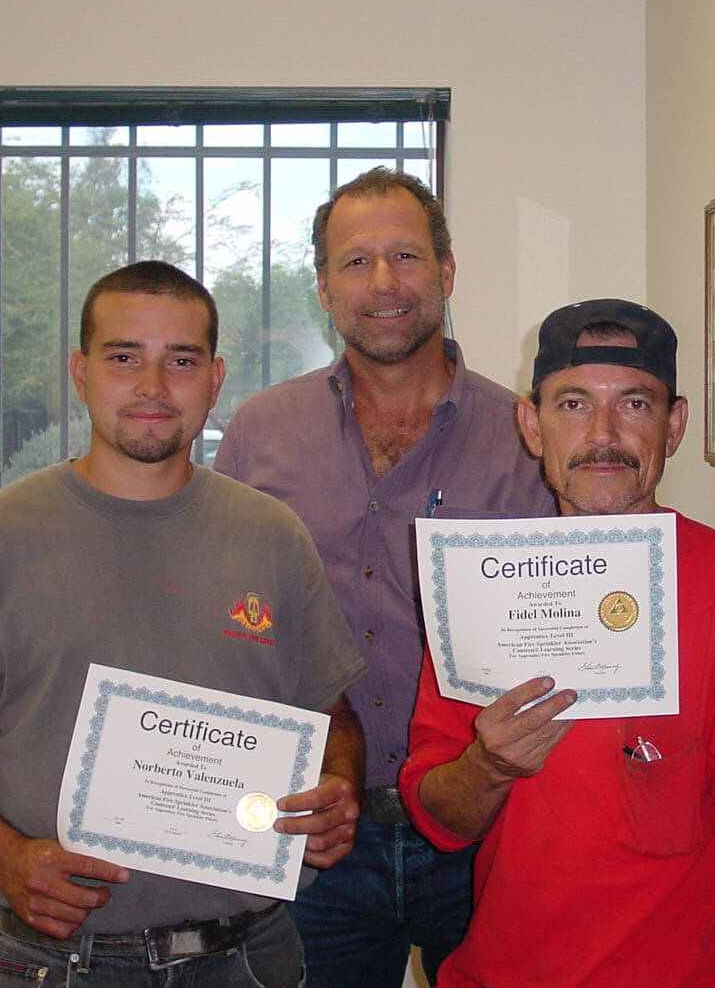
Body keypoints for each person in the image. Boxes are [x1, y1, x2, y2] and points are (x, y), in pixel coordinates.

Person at [0, 261, 367, 988]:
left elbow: (331, 714)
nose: (153, 386)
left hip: (247, 955)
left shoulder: (271, 535)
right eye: (125, 357)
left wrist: (339, 783)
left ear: (216, 379)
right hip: (58, 962)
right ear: (80, 371)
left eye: (180, 361)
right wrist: (2, 856)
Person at [399, 299, 715, 987]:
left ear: (675, 424)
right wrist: (488, 765)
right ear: (531, 423)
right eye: (572, 403)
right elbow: (439, 818)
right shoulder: (482, 580)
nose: (603, 433)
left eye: (634, 403)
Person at [213, 168, 554, 986]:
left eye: (404, 254)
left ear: (445, 271)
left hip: (486, 821)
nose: (383, 283)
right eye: (355, 262)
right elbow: (223, 621)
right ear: (324, 288)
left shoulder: (528, 437)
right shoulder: (261, 433)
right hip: (314, 835)